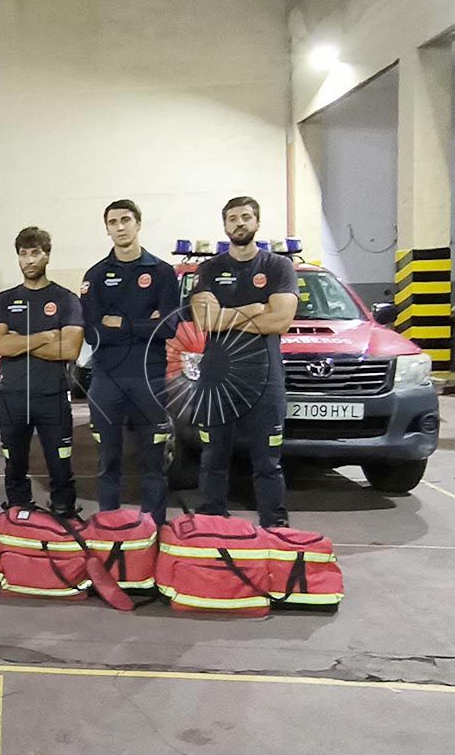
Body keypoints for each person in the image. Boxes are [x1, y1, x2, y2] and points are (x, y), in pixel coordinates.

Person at [189, 196, 299, 528]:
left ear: (257, 222)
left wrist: (227, 316)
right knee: (213, 459)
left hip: (265, 379)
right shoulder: (209, 269)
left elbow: (280, 321)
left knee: (268, 462)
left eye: (246, 217)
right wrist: (253, 310)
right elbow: (205, 321)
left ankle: (274, 527)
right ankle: (211, 525)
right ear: (225, 225)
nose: (240, 223)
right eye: (233, 218)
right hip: (218, 379)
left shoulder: (278, 267)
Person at [80, 199, 179, 527]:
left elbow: (168, 326)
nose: (120, 227)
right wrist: (144, 323)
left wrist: (119, 323)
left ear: (138, 223)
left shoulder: (162, 273)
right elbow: (93, 332)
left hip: (149, 379)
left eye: (126, 220)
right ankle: (110, 529)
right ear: (107, 229)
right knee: (108, 462)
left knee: (154, 464)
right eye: (113, 222)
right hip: (107, 380)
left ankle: (153, 532)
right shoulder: (95, 275)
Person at [0, 227, 84, 515]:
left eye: (35, 253)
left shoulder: (66, 299)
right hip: (13, 396)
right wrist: (44, 337)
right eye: (23, 254)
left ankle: (64, 510)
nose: (29, 260)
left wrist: (19, 342)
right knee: (14, 463)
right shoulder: (6, 299)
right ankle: (18, 510)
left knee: (60, 463)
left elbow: (70, 349)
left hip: (52, 394)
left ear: (47, 255)